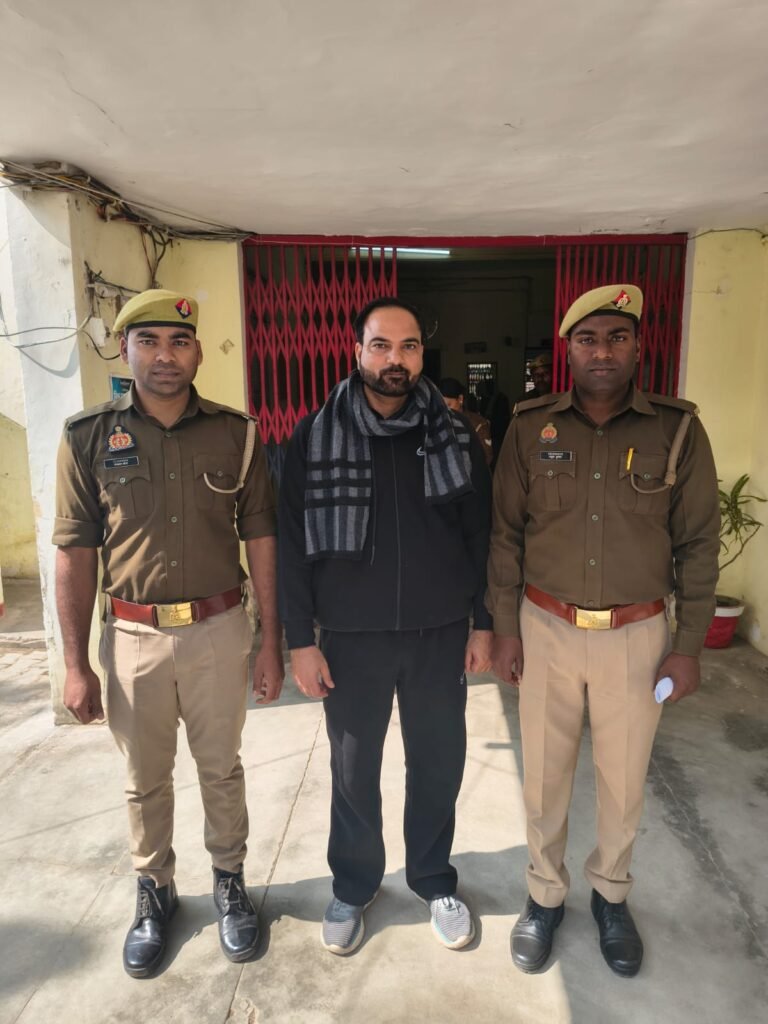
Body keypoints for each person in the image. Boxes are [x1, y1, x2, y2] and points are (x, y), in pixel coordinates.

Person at [488, 284, 719, 977]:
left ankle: (611, 895)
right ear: (568, 350)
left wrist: (688, 645)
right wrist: (504, 628)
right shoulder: (529, 427)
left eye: (617, 337)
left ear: (639, 347)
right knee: (543, 775)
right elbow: (505, 535)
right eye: (588, 339)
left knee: (623, 778)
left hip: (636, 635)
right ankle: (544, 896)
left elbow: (698, 544)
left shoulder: (677, 430)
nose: (603, 351)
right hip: (545, 625)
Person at [53, 289, 284, 978]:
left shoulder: (237, 434)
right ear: (125, 350)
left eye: (179, 342)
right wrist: (75, 665)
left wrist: (270, 640)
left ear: (198, 352)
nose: (164, 355)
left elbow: (262, 538)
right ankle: (154, 891)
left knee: (222, 769)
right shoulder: (87, 436)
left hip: (218, 630)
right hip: (133, 639)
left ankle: (230, 882)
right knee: (144, 778)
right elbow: (74, 552)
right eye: (148, 341)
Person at [278, 297, 493, 956]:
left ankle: (432, 878)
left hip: (439, 634)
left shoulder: (456, 437)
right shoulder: (314, 435)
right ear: (357, 351)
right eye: (381, 345)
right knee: (353, 770)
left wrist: (483, 623)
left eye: (408, 346)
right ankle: (354, 884)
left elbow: (480, 537)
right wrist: (300, 640)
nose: (394, 359)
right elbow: (291, 545)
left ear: (422, 354)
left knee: (437, 762)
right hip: (350, 638)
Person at [439, 376, 493, 466]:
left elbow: (486, 458)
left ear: (460, 399)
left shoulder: (478, 424)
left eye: (449, 405)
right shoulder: (437, 423)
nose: (445, 411)